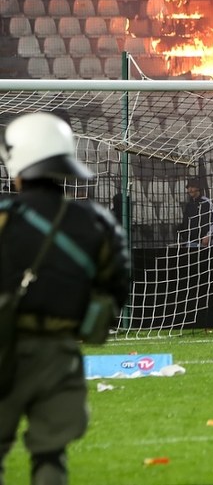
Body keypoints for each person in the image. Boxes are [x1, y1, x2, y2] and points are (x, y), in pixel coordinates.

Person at [0, 112, 130, 485]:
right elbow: (115, 284)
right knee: (50, 455)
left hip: (3, 350)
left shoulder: (5, 220)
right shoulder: (96, 222)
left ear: (18, 162)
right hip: (59, 354)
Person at [179, 178, 213, 247]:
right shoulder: (188, 205)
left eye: (192, 187)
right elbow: (185, 223)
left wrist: (208, 236)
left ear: (198, 188)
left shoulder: (206, 202)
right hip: (191, 242)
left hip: (205, 243)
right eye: (188, 187)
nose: (190, 190)